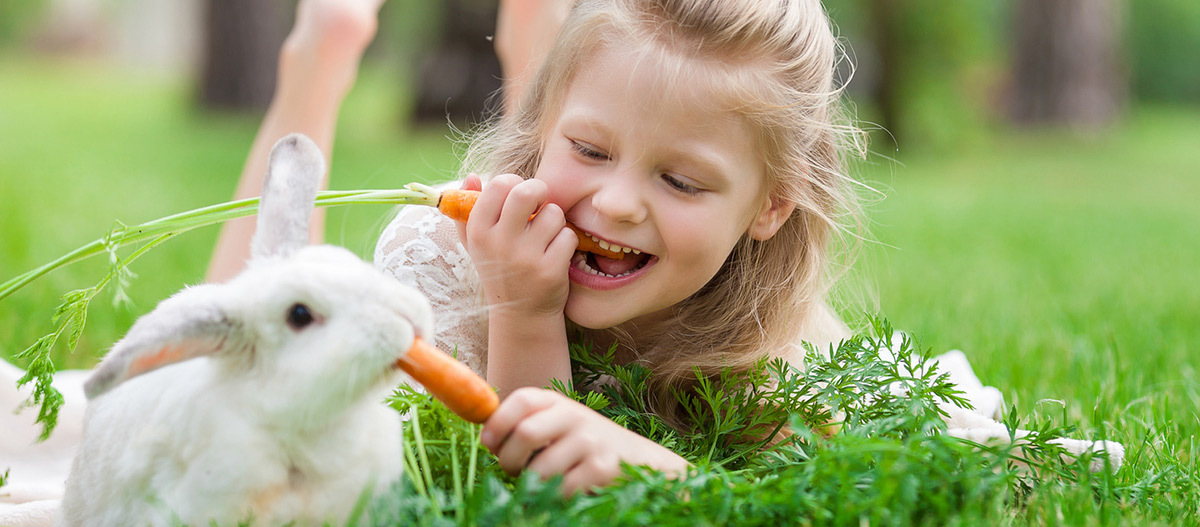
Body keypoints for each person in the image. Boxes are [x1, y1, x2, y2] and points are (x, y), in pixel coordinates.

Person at [210, 0, 865, 495]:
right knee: (250, 347)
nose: (616, 203)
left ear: (772, 205)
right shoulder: (449, 256)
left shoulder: (769, 339)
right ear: (547, 128)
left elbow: (792, 500)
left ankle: (541, 51)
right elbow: (494, 492)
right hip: (493, 248)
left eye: (680, 180)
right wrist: (524, 311)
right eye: (588, 148)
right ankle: (322, 55)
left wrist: (669, 471)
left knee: (586, 160)